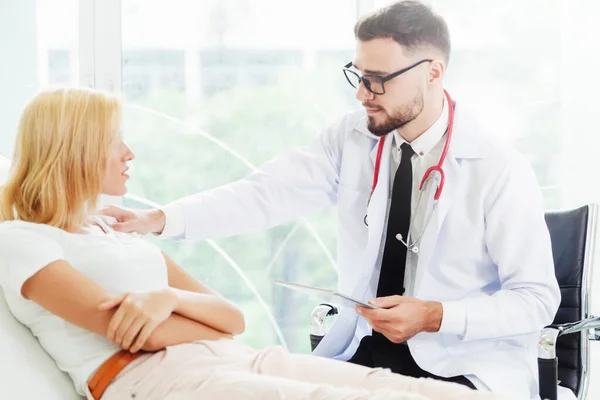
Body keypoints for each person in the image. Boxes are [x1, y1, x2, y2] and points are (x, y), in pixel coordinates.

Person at [102, 1, 561, 398]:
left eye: (379, 79)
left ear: (434, 73)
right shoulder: (353, 138)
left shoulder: (498, 169)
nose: (363, 94)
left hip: (462, 362)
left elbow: (536, 300)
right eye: (358, 76)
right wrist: (159, 218)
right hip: (365, 348)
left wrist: (436, 316)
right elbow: (266, 193)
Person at [0, 88, 508, 400]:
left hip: (234, 356)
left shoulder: (112, 231)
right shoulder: (23, 241)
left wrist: (169, 299)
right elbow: (139, 338)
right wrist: (189, 318)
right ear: (76, 149)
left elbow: (232, 318)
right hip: (155, 381)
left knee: (422, 393)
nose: (129, 153)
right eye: (115, 140)